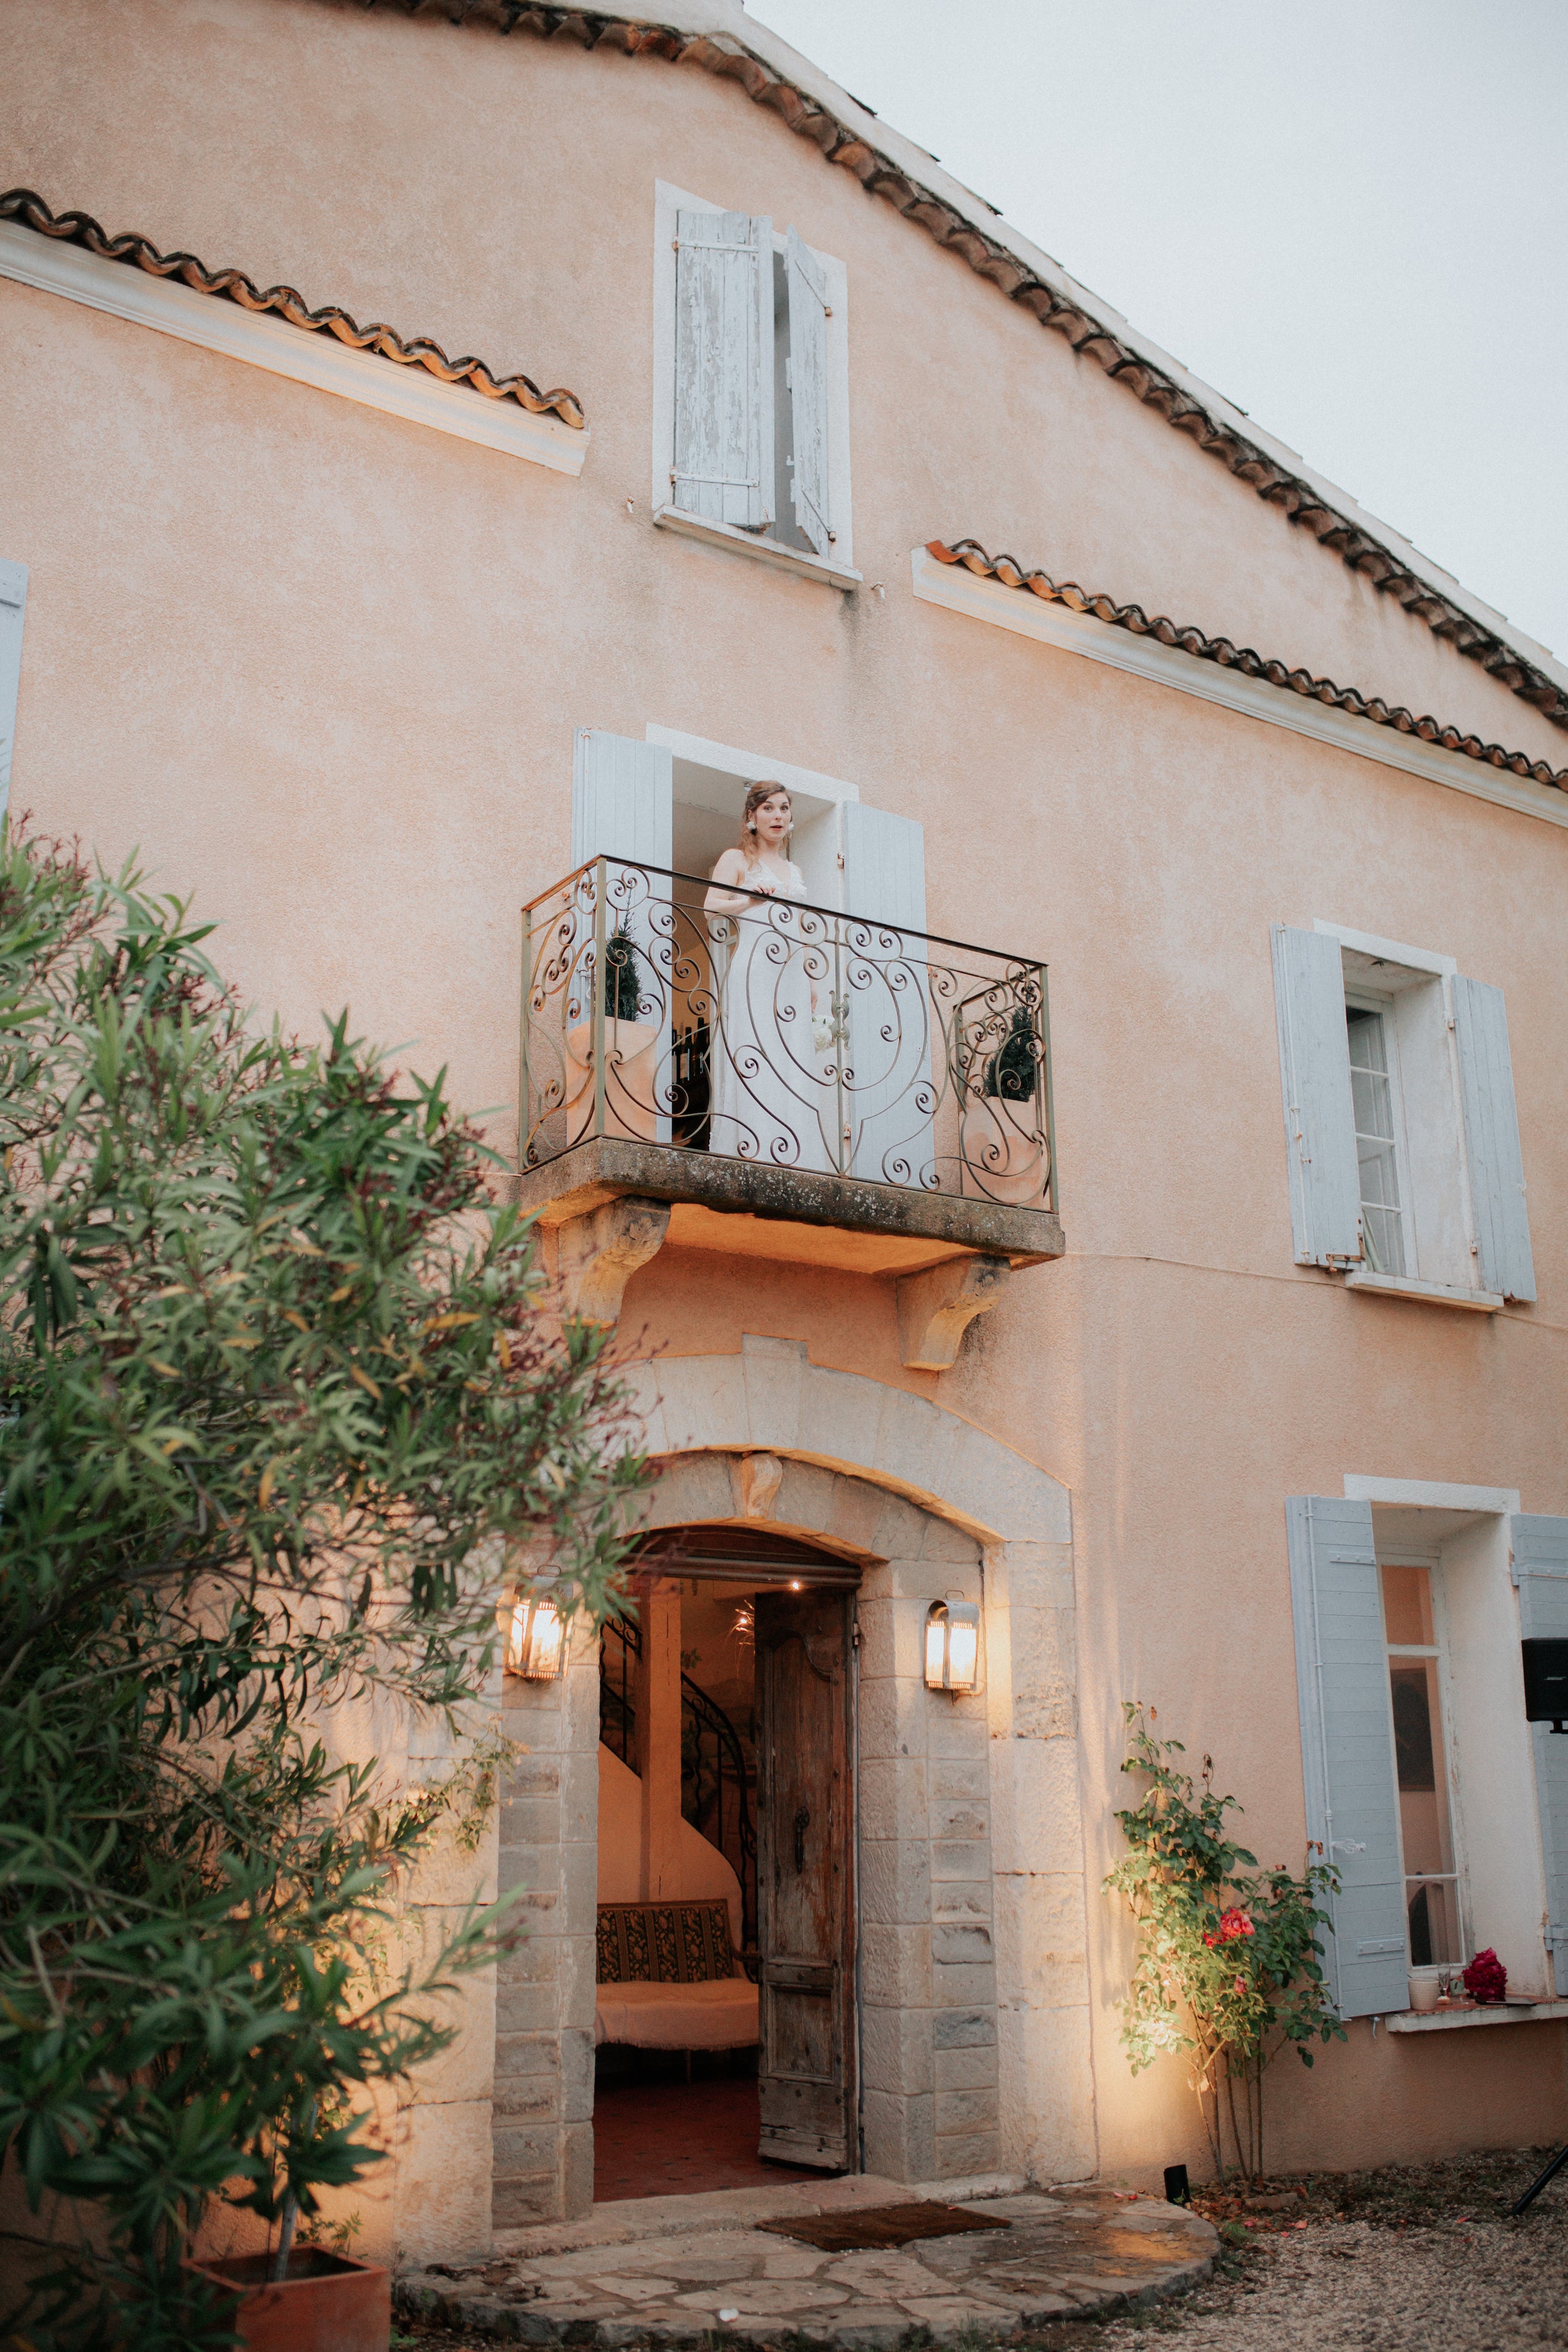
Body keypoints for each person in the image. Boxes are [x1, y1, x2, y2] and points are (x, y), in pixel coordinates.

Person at [703, 784, 834, 1170]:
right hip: (755, 969)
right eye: (768, 808)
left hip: (791, 975)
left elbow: (799, 926)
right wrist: (748, 901)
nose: (778, 816)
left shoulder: (794, 870)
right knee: (756, 1053)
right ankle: (753, 1154)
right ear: (752, 817)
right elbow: (711, 908)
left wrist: (811, 980)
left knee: (793, 1058)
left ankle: (794, 1158)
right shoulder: (737, 858)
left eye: (784, 808)